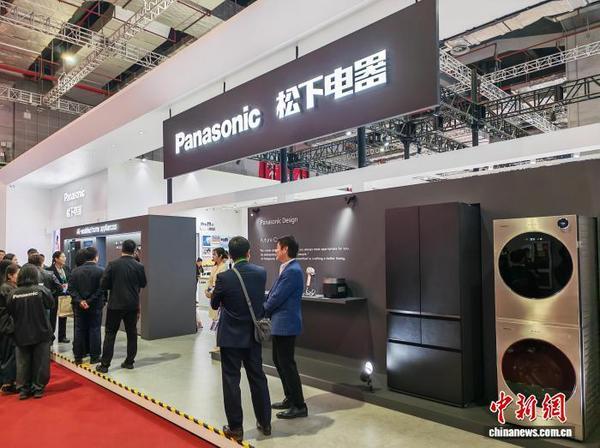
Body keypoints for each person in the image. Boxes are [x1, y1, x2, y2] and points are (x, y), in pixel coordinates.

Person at [211, 236, 271, 442]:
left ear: (230, 255)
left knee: (231, 381)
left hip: (230, 337)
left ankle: (236, 428)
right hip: (253, 336)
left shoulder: (224, 278)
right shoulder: (261, 273)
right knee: (258, 378)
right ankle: (265, 423)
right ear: (249, 253)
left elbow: (214, 304)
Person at [264, 235, 307, 419]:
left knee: (287, 364)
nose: (275, 250)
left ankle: (299, 405)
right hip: (280, 323)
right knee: (279, 360)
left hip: (286, 324)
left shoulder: (292, 271)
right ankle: (290, 398)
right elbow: (274, 294)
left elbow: (277, 297)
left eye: (277, 247)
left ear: (285, 249)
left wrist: (263, 309)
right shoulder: (288, 268)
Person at [96, 239, 147, 373]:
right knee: (132, 333)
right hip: (132, 305)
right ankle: (129, 362)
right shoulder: (139, 266)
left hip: (115, 305)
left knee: (110, 334)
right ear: (134, 250)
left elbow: (103, 284)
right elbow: (143, 283)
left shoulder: (113, 265)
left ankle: (105, 365)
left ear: (122, 249)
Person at [7, 264, 54, 399]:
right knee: (41, 362)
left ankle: (23, 389)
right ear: (35, 276)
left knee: (22, 362)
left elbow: (10, 310)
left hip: (21, 332)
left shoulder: (13, 293)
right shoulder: (42, 290)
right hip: (41, 331)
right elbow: (51, 304)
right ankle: (38, 388)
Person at [68, 247, 105, 365]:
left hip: (79, 306)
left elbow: (71, 289)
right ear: (96, 257)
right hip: (95, 305)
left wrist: (80, 301)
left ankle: (78, 357)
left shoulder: (75, 271)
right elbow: (101, 290)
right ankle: (95, 357)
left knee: (79, 330)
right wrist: (89, 301)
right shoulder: (101, 271)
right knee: (95, 329)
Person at [29, 254, 65, 343]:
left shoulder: (25, 274)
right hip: (46, 302)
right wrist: (51, 293)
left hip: (29, 302)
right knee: (47, 321)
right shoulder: (49, 273)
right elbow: (60, 288)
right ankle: (47, 340)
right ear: (41, 262)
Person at [0, 262, 18, 394]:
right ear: (10, 275)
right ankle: (7, 384)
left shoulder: (10, 287)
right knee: (8, 355)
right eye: (17, 274)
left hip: (7, 324)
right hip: (7, 325)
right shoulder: (6, 288)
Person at [205, 248, 229, 340]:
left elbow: (221, 283)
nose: (213, 256)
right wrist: (207, 290)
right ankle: (217, 341)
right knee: (215, 319)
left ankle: (220, 342)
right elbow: (210, 281)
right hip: (213, 295)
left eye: (214, 254)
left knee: (219, 320)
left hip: (219, 296)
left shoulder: (224, 267)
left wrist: (213, 293)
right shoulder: (214, 267)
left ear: (220, 256)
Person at [47, 251, 71, 344]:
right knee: (52, 317)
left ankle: (62, 336)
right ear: (56, 259)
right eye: (62, 257)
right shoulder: (49, 270)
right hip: (54, 296)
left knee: (63, 316)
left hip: (64, 296)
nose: (65, 258)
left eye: (65, 256)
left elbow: (70, 280)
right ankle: (50, 337)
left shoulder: (66, 268)